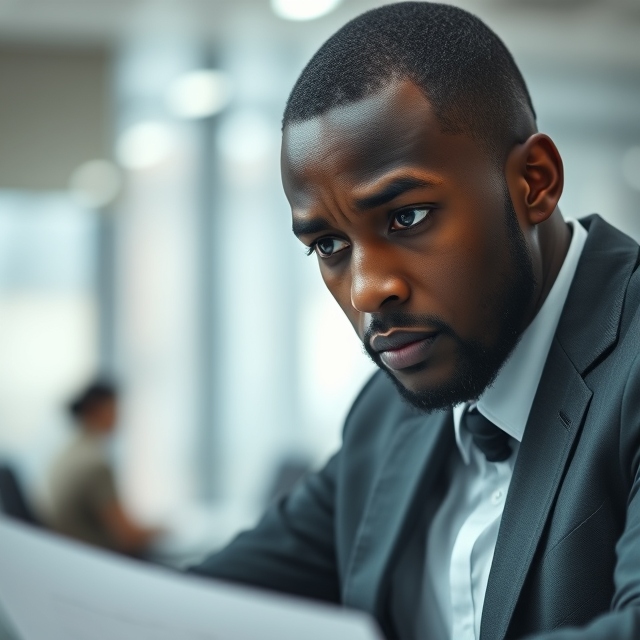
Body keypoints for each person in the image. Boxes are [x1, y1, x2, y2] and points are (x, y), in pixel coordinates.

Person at [191, 3, 640, 639]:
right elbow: (199, 605)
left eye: (407, 217)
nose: (370, 290)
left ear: (535, 183)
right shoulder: (387, 414)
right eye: (329, 246)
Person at [49, 381, 158, 556]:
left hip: (68, 554)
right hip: (95, 559)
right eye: (114, 409)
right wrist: (164, 530)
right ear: (96, 411)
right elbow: (128, 537)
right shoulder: (94, 464)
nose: (120, 417)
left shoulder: (67, 454)